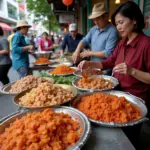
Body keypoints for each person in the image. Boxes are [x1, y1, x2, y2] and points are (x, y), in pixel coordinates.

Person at [78, 2, 150, 149]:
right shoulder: (123, 42)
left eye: (121, 22)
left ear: (134, 20)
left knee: (129, 141)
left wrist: (132, 71)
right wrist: (90, 64)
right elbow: (109, 62)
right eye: (117, 23)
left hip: (135, 102)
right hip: (117, 96)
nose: (118, 27)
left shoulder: (146, 44)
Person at [72, 3, 118, 75]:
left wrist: (89, 53)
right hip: (92, 67)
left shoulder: (112, 31)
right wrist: (77, 51)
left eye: (98, 19)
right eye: (94, 20)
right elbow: (84, 40)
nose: (96, 22)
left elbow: (108, 53)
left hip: (105, 70)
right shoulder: (94, 29)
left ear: (106, 16)